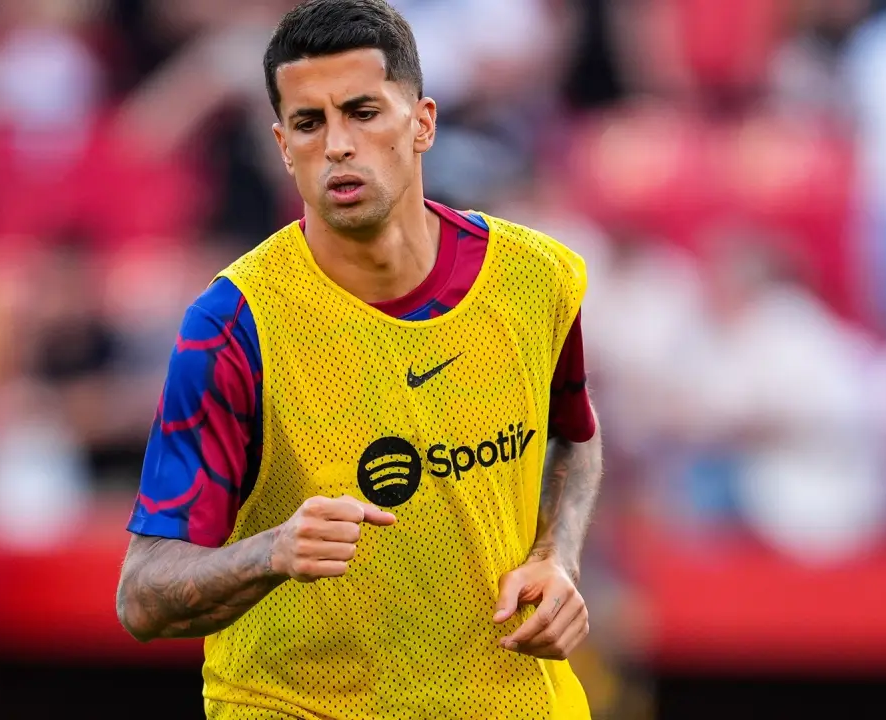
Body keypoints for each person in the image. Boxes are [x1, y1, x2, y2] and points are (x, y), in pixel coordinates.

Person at [116, 1, 603, 717]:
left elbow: (573, 435)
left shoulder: (538, 278)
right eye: (309, 124)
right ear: (283, 146)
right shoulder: (232, 326)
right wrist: (271, 552)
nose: (337, 145)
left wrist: (555, 556)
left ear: (423, 123)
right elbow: (142, 594)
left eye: (363, 112)